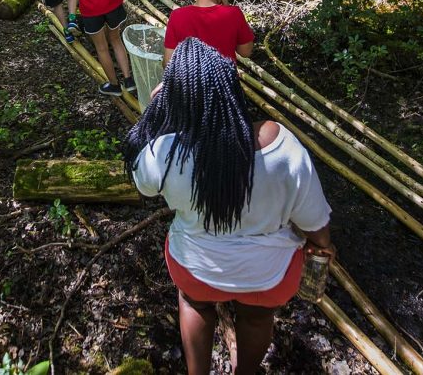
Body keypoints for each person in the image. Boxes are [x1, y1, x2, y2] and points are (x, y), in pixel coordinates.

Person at [125, 38, 333, 375]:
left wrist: (156, 112)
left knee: (194, 301)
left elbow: (143, 183)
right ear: (231, 89)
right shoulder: (282, 146)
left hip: (195, 268)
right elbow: (316, 225)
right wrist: (324, 246)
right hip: (270, 276)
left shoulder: (165, 152)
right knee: (258, 315)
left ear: (176, 98)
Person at [163, 0, 254, 66]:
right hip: (226, 82)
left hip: (190, 82)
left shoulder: (177, 16)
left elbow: (168, 63)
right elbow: (246, 51)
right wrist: (229, 8)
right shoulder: (233, 13)